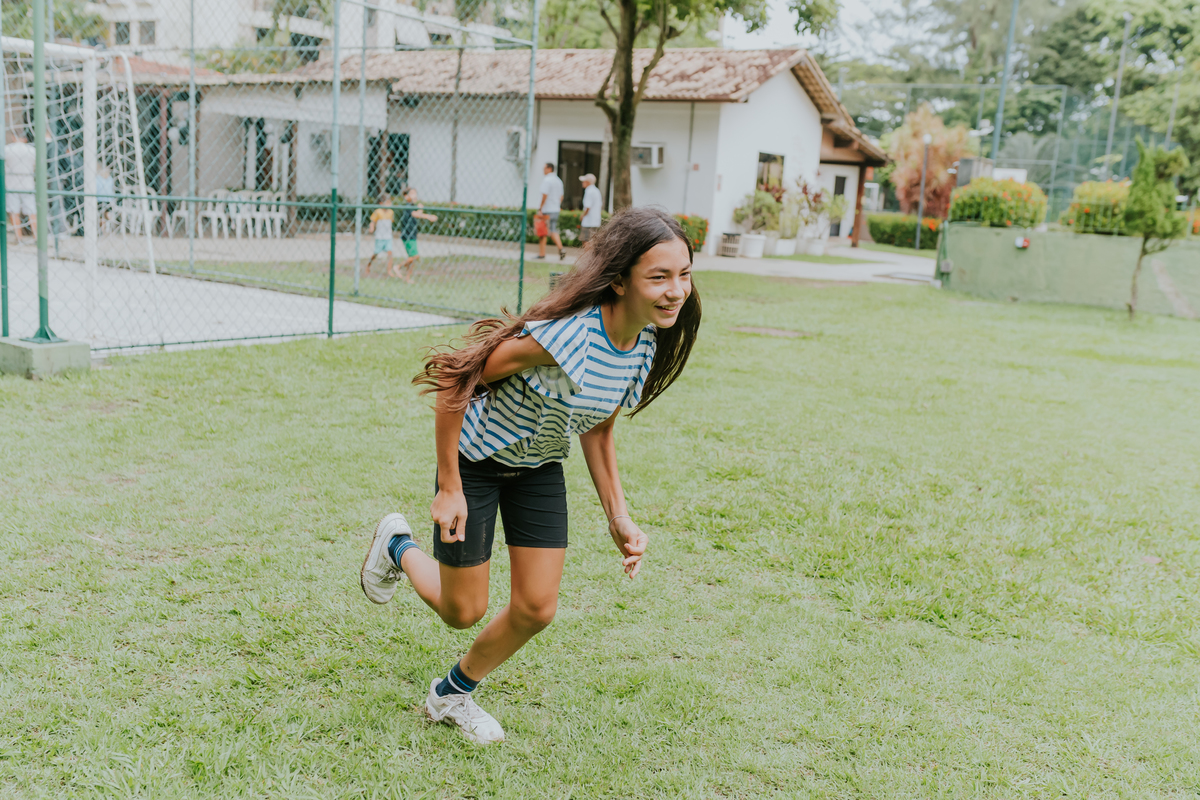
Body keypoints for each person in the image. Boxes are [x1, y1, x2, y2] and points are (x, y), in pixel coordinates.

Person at [359, 207, 701, 745]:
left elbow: (599, 429)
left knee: (537, 607)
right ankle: (397, 545)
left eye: (684, 273)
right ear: (619, 280)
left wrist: (619, 515)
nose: (676, 290)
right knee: (461, 610)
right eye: (658, 277)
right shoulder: (565, 338)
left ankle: (450, 694)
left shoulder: (641, 345)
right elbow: (458, 380)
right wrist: (450, 485)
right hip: (475, 464)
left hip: (537, 465)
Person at [398, 187, 438, 283]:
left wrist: (420, 210)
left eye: (415, 193)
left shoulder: (412, 206)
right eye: (412, 193)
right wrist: (428, 216)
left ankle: (407, 278)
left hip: (412, 234)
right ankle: (398, 267)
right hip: (408, 235)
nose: (414, 195)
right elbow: (415, 214)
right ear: (406, 196)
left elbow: (416, 213)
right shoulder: (408, 206)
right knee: (415, 256)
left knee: (412, 259)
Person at [5, 133, 37, 244]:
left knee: (14, 212)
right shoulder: (32, 150)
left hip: (12, 185)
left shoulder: (7, 149)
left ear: (13, 137)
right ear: (25, 139)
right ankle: (36, 235)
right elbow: (35, 166)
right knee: (32, 211)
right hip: (28, 184)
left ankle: (19, 237)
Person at [536, 162, 565, 261]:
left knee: (543, 232)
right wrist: (557, 205)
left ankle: (542, 254)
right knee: (553, 230)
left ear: (549, 169)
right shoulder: (559, 181)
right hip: (555, 209)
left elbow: (545, 195)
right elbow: (561, 196)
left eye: (544, 168)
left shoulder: (547, 180)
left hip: (547, 210)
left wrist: (540, 208)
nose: (543, 170)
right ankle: (561, 248)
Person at [364, 193, 394, 278]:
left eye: (390, 203)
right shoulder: (378, 212)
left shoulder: (391, 212)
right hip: (380, 237)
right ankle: (368, 265)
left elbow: (390, 222)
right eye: (387, 203)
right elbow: (372, 221)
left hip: (388, 236)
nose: (389, 205)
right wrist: (371, 228)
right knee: (376, 253)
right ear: (381, 203)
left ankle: (389, 271)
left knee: (390, 253)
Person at [579, 173, 602, 246]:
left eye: (584, 181)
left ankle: (587, 257)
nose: (582, 183)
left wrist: (583, 215)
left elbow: (587, 207)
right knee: (593, 241)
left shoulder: (589, 191)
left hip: (588, 221)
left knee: (586, 240)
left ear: (588, 182)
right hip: (595, 221)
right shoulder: (596, 190)